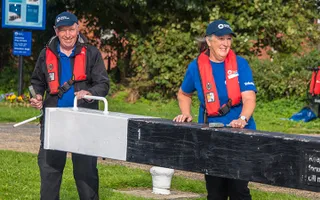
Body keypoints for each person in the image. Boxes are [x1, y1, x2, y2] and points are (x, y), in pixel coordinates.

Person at [173, 19, 256, 200]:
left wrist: (242, 119)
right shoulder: (196, 66)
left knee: (238, 190)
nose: (225, 44)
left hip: (240, 135)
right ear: (209, 41)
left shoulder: (241, 64)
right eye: (220, 38)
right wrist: (186, 113)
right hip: (212, 137)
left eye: (228, 39)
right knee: (215, 192)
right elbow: (183, 94)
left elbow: (249, 98)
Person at [30, 11, 109, 200]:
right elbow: (36, 82)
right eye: (63, 30)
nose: (67, 35)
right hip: (54, 121)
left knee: (86, 173)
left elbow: (103, 84)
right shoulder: (46, 53)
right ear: (56, 31)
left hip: (84, 121)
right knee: (49, 171)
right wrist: (36, 96)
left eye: (71, 30)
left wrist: (90, 93)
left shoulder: (91, 53)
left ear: (77, 29)